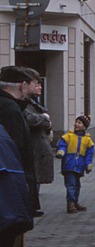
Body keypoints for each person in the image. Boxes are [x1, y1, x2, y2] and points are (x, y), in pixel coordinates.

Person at [0, 66, 35, 247]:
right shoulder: (9, 109)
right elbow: (14, 148)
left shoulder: (13, 106)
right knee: (7, 244)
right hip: (9, 182)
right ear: (21, 85)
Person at [21, 68, 53, 218]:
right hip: (31, 146)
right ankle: (30, 206)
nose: (39, 87)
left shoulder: (33, 102)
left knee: (36, 177)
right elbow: (28, 119)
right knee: (32, 177)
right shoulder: (23, 103)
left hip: (37, 145)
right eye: (37, 84)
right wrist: (44, 119)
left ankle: (33, 205)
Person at [55, 115, 94, 213]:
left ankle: (75, 201)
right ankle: (70, 203)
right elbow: (62, 145)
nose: (76, 124)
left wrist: (88, 164)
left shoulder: (87, 140)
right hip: (69, 164)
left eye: (79, 123)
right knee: (71, 184)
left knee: (77, 185)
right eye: (76, 122)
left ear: (84, 127)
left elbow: (89, 154)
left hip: (79, 165)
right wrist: (61, 151)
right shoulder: (68, 136)